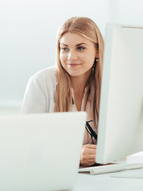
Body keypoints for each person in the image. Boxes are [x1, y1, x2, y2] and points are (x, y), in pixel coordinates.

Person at [20, 17, 104, 166]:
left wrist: (104, 154)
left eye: (80, 48)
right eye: (64, 48)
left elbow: (122, 143)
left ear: (97, 51)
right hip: (52, 172)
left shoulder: (107, 85)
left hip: (99, 175)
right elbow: (26, 144)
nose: (71, 57)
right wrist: (74, 154)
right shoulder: (42, 82)